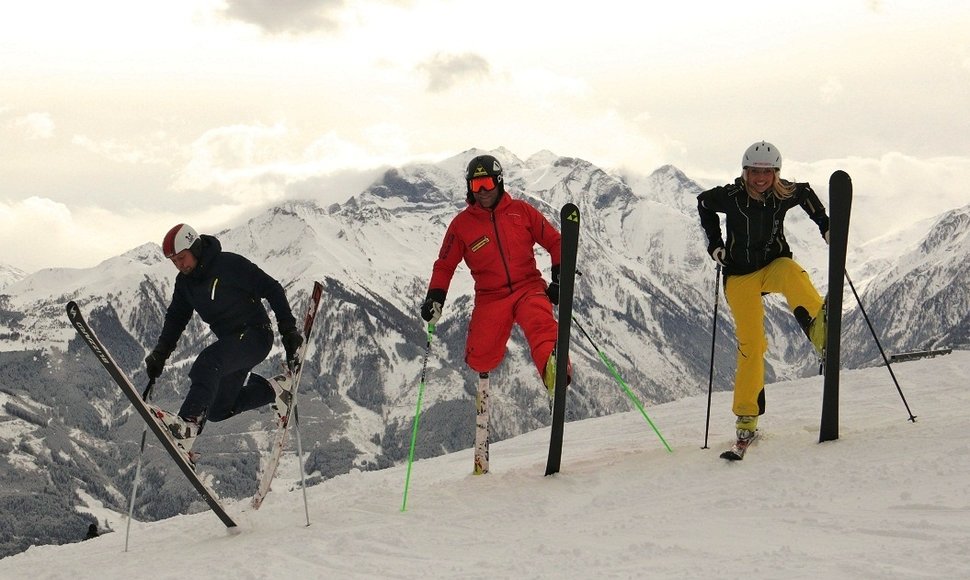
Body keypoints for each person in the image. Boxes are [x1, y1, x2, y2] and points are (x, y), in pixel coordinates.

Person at [696, 141, 829, 442]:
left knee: (792, 272)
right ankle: (747, 412)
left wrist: (826, 226)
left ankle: (821, 329)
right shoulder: (730, 197)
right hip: (740, 276)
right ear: (745, 171)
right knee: (752, 344)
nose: (760, 177)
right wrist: (714, 245)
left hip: (773, 266)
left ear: (776, 173)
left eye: (767, 172)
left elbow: (807, 194)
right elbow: (704, 203)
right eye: (755, 171)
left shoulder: (783, 193)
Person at [144, 224, 303, 458]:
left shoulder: (229, 265)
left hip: (256, 335)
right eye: (174, 261)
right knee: (219, 409)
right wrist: (160, 353)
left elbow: (272, 288)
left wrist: (288, 330)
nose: (180, 265)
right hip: (232, 343)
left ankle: (188, 426)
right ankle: (276, 390)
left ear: (195, 248)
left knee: (208, 362)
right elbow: (176, 320)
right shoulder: (185, 283)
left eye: (182, 258)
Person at [421, 154, 567, 394]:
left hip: (529, 287)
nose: (482, 191)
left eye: (487, 183)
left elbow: (554, 241)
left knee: (540, 324)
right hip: (490, 297)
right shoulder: (462, 225)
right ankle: (486, 366)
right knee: (480, 357)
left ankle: (555, 369)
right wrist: (435, 297)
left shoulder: (521, 211)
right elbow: (444, 265)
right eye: (475, 185)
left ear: (499, 182)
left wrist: (560, 278)